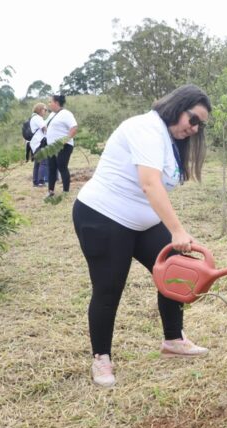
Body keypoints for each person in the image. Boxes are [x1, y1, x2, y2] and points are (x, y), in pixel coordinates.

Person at [72, 84, 212, 387]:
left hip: (142, 222)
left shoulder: (169, 138)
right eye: (193, 120)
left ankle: (174, 340)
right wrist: (177, 229)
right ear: (178, 107)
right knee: (109, 288)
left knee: (176, 271)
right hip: (103, 217)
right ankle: (102, 359)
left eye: (200, 125)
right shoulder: (146, 128)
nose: (195, 129)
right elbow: (150, 184)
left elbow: (155, 188)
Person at [44, 94, 78, 196]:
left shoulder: (66, 114)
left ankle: (65, 191)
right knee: (51, 168)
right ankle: (51, 191)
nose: (49, 104)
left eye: (50, 102)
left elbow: (74, 127)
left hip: (64, 146)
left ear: (56, 103)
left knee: (62, 167)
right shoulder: (51, 115)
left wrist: (65, 140)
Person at [28, 103, 49, 187]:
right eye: (45, 110)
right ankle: (41, 181)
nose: (46, 112)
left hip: (34, 144)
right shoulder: (38, 118)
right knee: (43, 162)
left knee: (37, 163)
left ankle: (35, 182)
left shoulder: (33, 118)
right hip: (40, 143)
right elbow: (44, 128)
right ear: (40, 110)